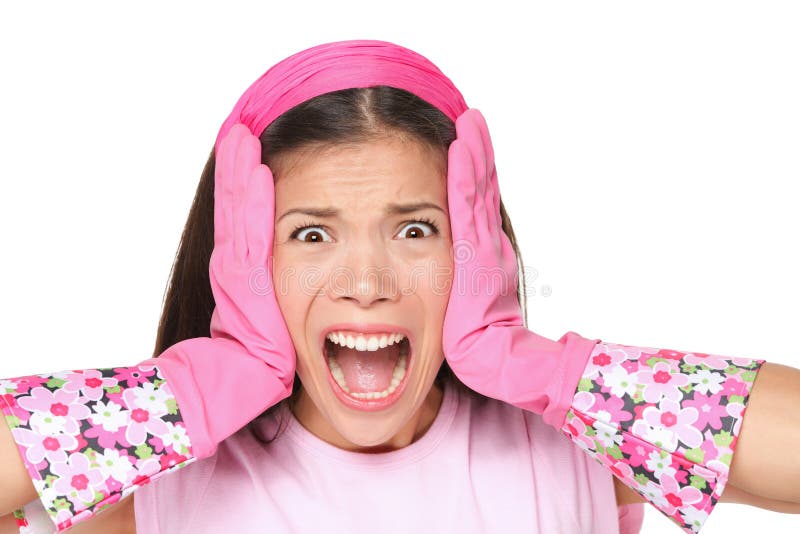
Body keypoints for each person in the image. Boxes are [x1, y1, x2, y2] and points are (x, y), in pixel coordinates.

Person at [0, 39, 797, 534]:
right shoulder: (144, 477)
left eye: (415, 229)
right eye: (310, 234)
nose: (368, 282)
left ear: (475, 246)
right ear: (243, 256)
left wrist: (552, 373)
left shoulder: (579, 441)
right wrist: (199, 388)